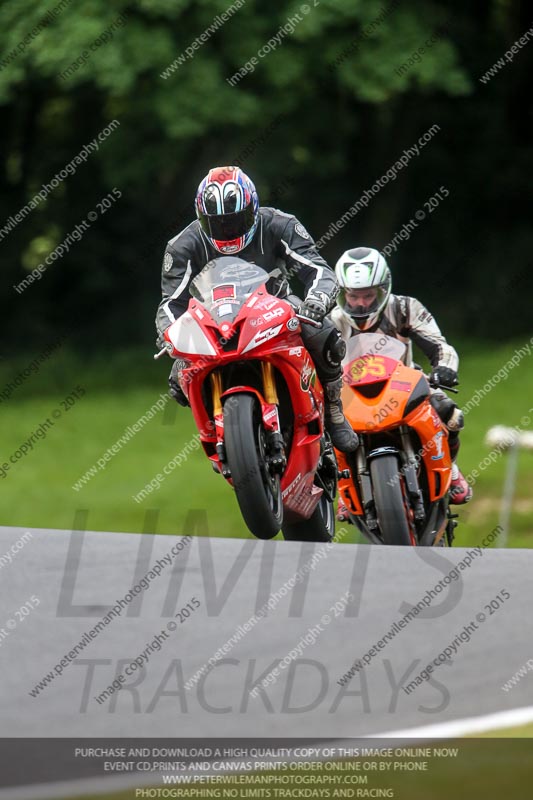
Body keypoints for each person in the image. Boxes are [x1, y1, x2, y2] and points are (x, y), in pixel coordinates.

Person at [155, 166, 358, 452]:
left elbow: (318, 270)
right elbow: (170, 303)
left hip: (275, 306)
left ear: (253, 207)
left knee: (325, 335)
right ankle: (218, 436)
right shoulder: (181, 246)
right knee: (179, 378)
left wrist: (316, 301)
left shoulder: (279, 223)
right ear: (202, 219)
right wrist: (169, 332)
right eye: (218, 223)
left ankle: (335, 412)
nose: (227, 230)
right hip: (211, 322)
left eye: (236, 221)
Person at [331, 246, 472, 510]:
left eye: (368, 295)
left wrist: (445, 367)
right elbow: (314, 360)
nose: (361, 303)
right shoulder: (333, 321)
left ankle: (451, 471)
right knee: (324, 431)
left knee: (451, 415)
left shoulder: (406, 307)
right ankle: (345, 486)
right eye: (353, 296)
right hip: (350, 392)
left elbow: (438, 345)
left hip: (406, 383)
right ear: (342, 293)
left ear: (383, 289)